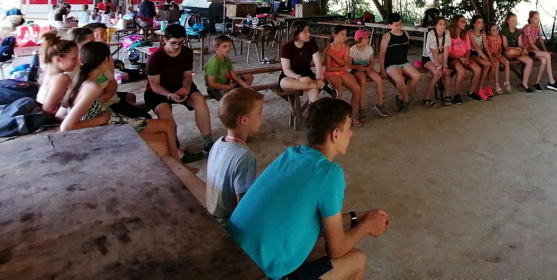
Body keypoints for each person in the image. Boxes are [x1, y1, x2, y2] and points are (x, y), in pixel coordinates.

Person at [228, 98, 389, 280]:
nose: (351, 134)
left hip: (232, 254)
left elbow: (314, 222)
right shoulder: (329, 174)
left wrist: (361, 216)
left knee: (314, 243)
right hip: (260, 273)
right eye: (348, 127)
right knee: (356, 259)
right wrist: (366, 226)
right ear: (335, 134)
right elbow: (336, 249)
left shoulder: (291, 155)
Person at [60, 41, 183, 162]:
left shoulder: (84, 79)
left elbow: (63, 113)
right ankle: (177, 165)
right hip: (102, 129)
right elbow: (66, 127)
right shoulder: (93, 87)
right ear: (106, 60)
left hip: (108, 122)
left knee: (167, 128)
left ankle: (178, 164)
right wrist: (101, 119)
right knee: (162, 141)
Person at [143, 24, 214, 157]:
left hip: (180, 85)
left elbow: (187, 76)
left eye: (180, 43)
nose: (177, 46)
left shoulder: (186, 52)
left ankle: (208, 143)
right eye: (173, 43)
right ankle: (175, 149)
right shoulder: (155, 58)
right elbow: (155, 86)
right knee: (165, 112)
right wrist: (169, 95)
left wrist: (186, 88)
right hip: (158, 91)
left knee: (199, 100)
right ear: (165, 40)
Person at [205, 88, 264, 225]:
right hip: (226, 223)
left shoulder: (219, 143)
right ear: (244, 120)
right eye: (260, 112)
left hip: (211, 212)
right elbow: (244, 206)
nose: (262, 116)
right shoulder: (245, 156)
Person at [280, 22, 337, 104]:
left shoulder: (311, 43)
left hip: (307, 75)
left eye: (308, 31)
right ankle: (323, 85)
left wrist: (319, 78)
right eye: (305, 32)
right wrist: (299, 77)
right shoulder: (287, 47)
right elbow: (286, 69)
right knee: (285, 83)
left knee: (314, 96)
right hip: (291, 76)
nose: (309, 34)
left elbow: (317, 61)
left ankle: (311, 111)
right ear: (296, 34)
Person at [378, 13, 420, 112]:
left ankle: (401, 97)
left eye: (400, 24)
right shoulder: (387, 36)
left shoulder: (406, 34)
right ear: (390, 25)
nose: (399, 26)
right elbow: (381, 54)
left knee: (417, 76)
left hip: (404, 62)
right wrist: (382, 69)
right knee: (399, 80)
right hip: (391, 64)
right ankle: (406, 100)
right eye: (396, 25)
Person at [324, 26, 363, 127]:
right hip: (331, 73)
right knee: (339, 92)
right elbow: (328, 68)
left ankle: (354, 116)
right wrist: (342, 67)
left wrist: (332, 55)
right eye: (342, 35)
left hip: (342, 71)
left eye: (345, 34)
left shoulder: (346, 47)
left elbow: (345, 64)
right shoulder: (328, 48)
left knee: (357, 89)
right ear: (335, 36)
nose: (345, 37)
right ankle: (334, 119)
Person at [36, 30, 78, 117]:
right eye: (74, 58)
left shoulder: (48, 72)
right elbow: (48, 110)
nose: (77, 61)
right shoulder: (61, 78)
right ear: (58, 59)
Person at [522, 11, 557, 93]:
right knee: (547, 55)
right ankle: (551, 81)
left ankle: (537, 83)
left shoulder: (537, 27)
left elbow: (540, 40)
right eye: (535, 18)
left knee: (544, 60)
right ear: (531, 19)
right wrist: (542, 52)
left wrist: (545, 51)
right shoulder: (527, 27)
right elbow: (531, 43)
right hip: (526, 50)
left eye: (538, 18)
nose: (538, 20)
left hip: (533, 50)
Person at [447, 15, 486, 103]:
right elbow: (448, 52)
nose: (465, 23)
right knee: (461, 71)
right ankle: (457, 94)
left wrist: (466, 58)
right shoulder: (449, 34)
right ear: (456, 22)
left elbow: (468, 49)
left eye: (465, 21)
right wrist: (460, 58)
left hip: (464, 57)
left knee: (478, 69)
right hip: (452, 58)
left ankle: (471, 93)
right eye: (462, 21)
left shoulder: (465, 34)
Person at [349, 29, 387, 118]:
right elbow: (349, 64)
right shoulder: (352, 49)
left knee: (378, 79)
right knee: (362, 81)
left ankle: (380, 104)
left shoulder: (369, 48)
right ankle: (361, 108)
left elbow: (372, 62)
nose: (368, 39)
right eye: (365, 38)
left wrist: (369, 67)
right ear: (359, 39)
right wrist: (357, 67)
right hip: (356, 69)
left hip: (367, 67)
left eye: (367, 38)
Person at [205, 34, 254, 101]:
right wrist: (228, 87)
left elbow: (235, 76)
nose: (228, 48)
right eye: (224, 46)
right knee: (232, 98)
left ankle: (242, 95)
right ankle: (240, 98)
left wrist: (246, 86)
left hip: (227, 83)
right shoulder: (214, 62)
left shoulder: (226, 58)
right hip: (215, 89)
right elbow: (211, 84)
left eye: (229, 45)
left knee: (249, 77)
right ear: (216, 48)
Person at [501, 12, 535, 92]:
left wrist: (523, 49)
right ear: (508, 21)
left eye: (516, 20)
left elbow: (520, 44)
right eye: (513, 20)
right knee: (511, 51)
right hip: (508, 53)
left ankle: (524, 83)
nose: (515, 22)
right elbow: (505, 46)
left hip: (517, 53)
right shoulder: (504, 31)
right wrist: (518, 49)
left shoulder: (518, 31)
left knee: (530, 61)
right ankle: (527, 53)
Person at [421, 17, 450, 107]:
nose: (443, 26)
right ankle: (426, 98)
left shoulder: (447, 33)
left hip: (440, 57)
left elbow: (446, 49)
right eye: (440, 24)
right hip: (428, 58)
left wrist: (445, 65)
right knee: (437, 73)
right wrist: (439, 67)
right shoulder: (431, 34)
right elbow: (433, 52)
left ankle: (447, 96)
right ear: (435, 26)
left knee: (447, 72)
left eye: (444, 24)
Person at [468, 15, 497, 98]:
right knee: (486, 64)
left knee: (492, 64)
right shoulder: (470, 32)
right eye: (478, 22)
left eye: (482, 22)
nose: (481, 24)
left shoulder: (483, 33)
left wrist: (490, 58)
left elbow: (486, 46)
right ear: (474, 24)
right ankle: (479, 88)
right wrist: (484, 57)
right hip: (473, 53)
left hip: (481, 53)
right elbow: (475, 46)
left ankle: (485, 87)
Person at [486, 23, 511, 93]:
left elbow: (500, 48)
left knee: (506, 62)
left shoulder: (498, 37)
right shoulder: (487, 38)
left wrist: (499, 53)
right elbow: (486, 50)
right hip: (490, 55)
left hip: (497, 54)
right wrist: (492, 55)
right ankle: (496, 83)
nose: (496, 31)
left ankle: (507, 81)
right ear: (489, 32)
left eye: (496, 29)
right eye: (493, 30)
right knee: (496, 63)